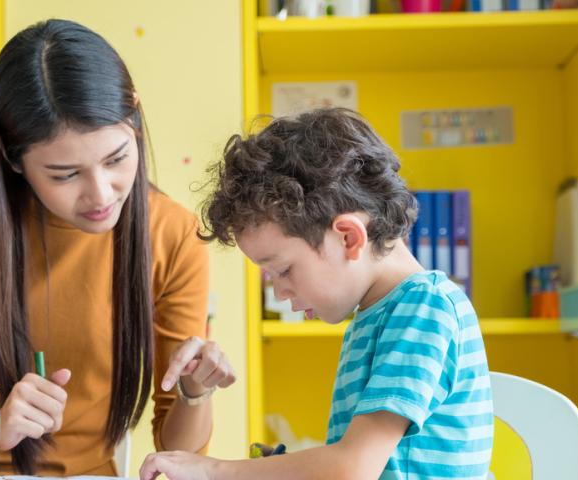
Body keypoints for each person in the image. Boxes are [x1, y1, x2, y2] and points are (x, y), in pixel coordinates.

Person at [0, 19, 236, 480]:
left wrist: (193, 391)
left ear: (136, 120)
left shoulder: (173, 233)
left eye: (117, 158)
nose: (102, 195)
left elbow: (176, 448)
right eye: (65, 174)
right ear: (11, 157)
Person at [140, 108, 493, 480]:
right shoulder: (378, 315)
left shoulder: (423, 308)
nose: (279, 291)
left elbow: (353, 468)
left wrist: (216, 471)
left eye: (284, 270)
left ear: (349, 237)